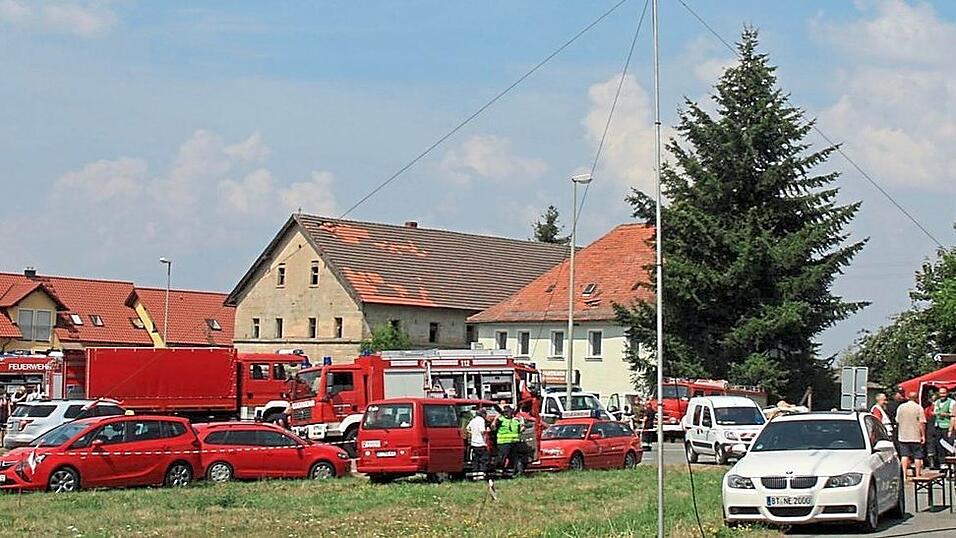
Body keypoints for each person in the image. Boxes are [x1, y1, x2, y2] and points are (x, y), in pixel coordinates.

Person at [896, 391, 927, 478]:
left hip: (903, 435)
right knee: (917, 456)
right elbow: (922, 423)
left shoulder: (901, 407)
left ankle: (904, 475)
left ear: (908, 397)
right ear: (916, 398)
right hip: (915, 435)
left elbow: (897, 420)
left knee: (904, 455)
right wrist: (923, 435)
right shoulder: (918, 408)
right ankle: (917, 474)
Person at [931, 386, 954, 468]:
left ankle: (949, 465)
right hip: (938, 426)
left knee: (947, 446)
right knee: (938, 445)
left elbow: (953, 415)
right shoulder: (937, 402)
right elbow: (934, 412)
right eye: (941, 393)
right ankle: (942, 464)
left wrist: (950, 429)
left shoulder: (952, 402)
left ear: (947, 393)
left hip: (946, 426)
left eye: (944, 393)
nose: (942, 395)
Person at [494, 406, 523, 473]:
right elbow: (493, 428)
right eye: (505, 412)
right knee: (502, 459)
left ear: (511, 412)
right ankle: (499, 472)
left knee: (515, 458)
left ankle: (515, 472)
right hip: (503, 443)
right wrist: (495, 419)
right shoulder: (501, 420)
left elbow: (520, 430)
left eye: (508, 412)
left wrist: (522, 424)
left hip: (514, 443)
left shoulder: (516, 420)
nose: (506, 414)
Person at [466, 408, 489, 480]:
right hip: (481, 443)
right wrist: (487, 430)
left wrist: (473, 433)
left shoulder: (473, 420)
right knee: (483, 460)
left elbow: (467, 428)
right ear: (483, 414)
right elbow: (482, 431)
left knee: (475, 461)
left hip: (474, 443)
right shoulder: (481, 420)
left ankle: (475, 476)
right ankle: (481, 476)